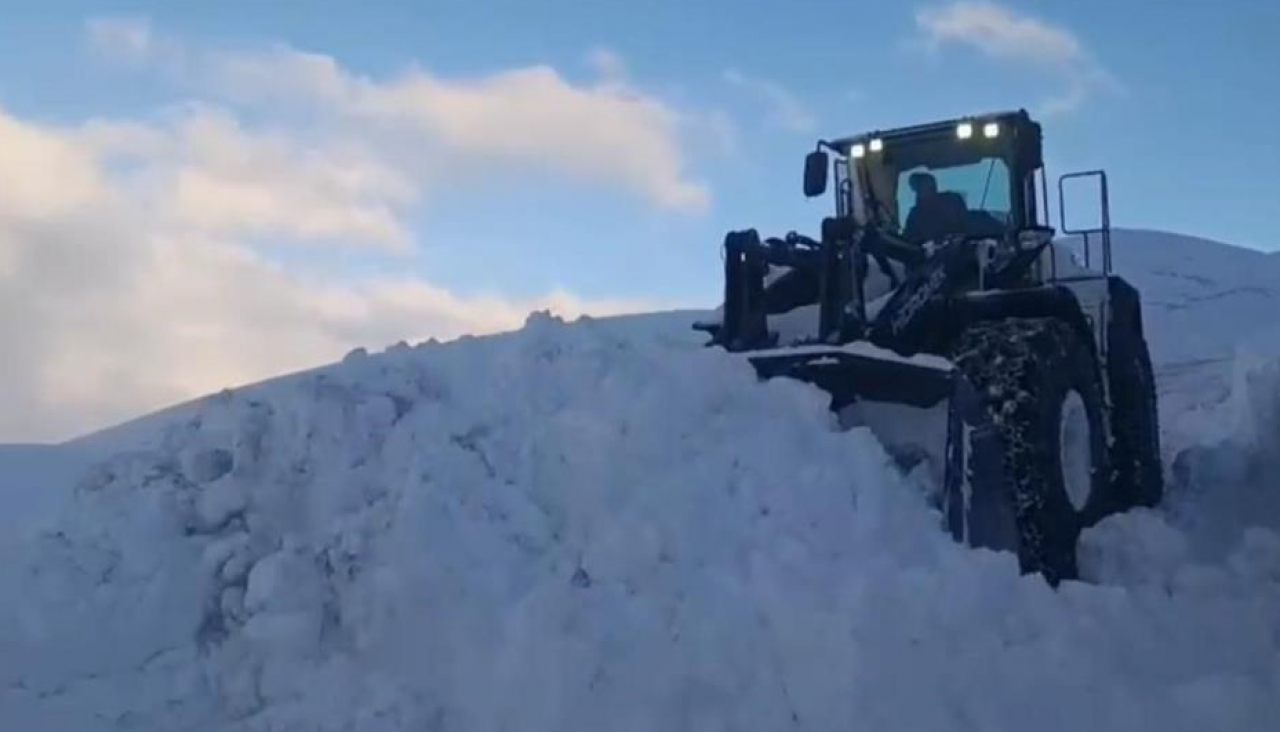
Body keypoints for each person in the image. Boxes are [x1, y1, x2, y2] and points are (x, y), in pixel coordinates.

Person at [901, 172, 968, 246]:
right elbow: (908, 242)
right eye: (919, 189)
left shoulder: (953, 201)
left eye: (926, 186)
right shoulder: (915, 215)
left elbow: (965, 227)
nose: (921, 193)